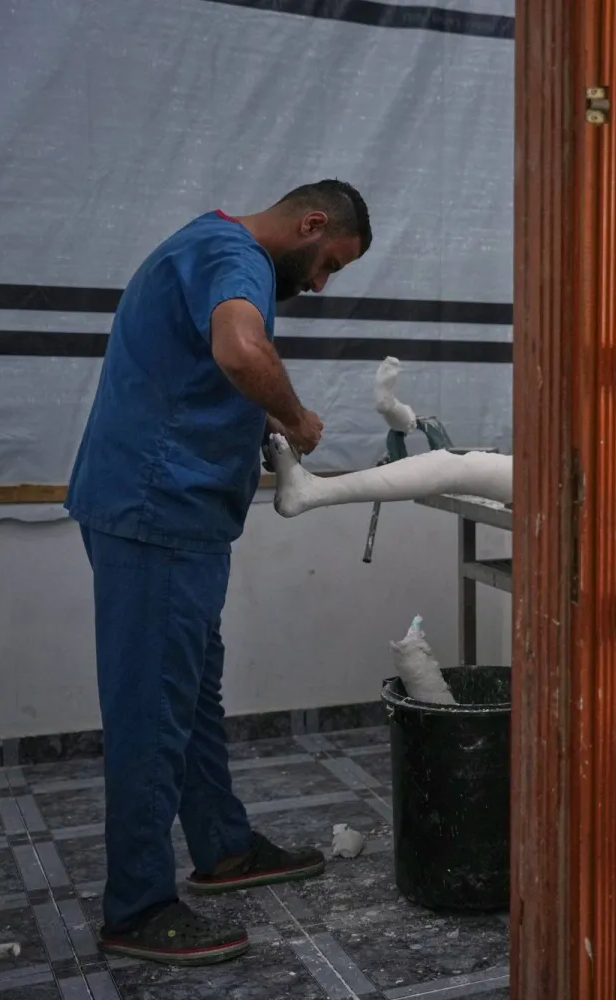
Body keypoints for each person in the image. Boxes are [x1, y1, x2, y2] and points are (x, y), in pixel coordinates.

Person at [64, 180, 371, 965]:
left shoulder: (208, 245)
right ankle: (136, 907)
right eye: (329, 261)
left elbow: (199, 367)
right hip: (158, 513)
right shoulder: (232, 253)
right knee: (152, 711)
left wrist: (257, 413)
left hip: (170, 515)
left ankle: (223, 846)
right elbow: (239, 348)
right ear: (310, 223)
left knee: (192, 694)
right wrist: (297, 417)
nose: (322, 283)